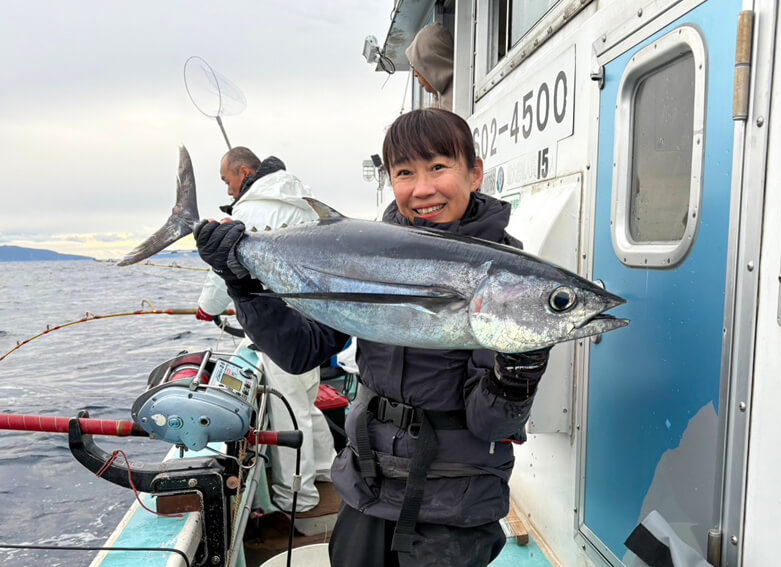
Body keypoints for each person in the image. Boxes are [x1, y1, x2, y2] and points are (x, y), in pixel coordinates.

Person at [193, 110, 551, 566]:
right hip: (366, 485)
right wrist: (244, 288)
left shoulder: (511, 280)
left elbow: (491, 425)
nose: (422, 189)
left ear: (474, 172)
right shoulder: (364, 250)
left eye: (439, 167)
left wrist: (516, 376)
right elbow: (300, 351)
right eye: (405, 173)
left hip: (453, 506)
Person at [195, 146, 336, 513]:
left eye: (228, 181)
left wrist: (205, 309)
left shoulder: (247, 212)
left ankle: (299, 498)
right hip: (314, 322)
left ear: (244, 173)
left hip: (278, 329)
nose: (228, 191)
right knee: (308, 404)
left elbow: (222, 272)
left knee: (290, 413)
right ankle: (327, 470)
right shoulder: (301, 200)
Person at [406, 22, 454, 110]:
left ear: (433, 64)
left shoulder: (459, 97)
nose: (415, 74)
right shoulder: (438, 103)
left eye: (418, 66)